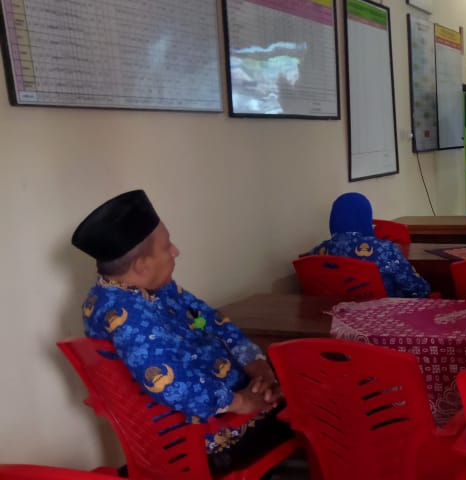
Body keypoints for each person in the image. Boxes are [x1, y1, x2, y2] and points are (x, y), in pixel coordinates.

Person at [71, 190, 291, 472]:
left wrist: (257, 366)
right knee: (306, 402)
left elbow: (208, 321)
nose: (175, 251)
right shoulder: (126, 317)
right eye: (167, 247)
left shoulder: (153, 290)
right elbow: (173, 386)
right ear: (141, 265)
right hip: (202, 435)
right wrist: (241, 402)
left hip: (224, 399)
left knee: (283, 384)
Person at [310, 192, 431, 298]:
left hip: (334, 315)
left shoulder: (318, 253)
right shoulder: (385, 249)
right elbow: (417, 290)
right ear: (365, 218)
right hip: (384, 314)